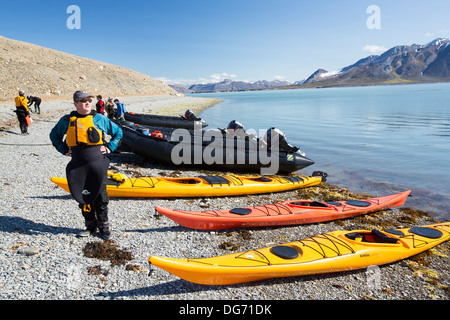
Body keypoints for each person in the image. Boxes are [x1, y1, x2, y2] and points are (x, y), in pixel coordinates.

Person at [49, 90, 123, 240]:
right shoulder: (66, 120)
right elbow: (54, 135)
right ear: (75, 104)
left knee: (101, 196)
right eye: (83, 100)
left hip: (97, 164)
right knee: (82, 196)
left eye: (89, 100)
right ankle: (90, 226)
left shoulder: (99, 119)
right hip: (78, 164)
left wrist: (110, 147)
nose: (87, 102)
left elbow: (118, 132)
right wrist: (63, 149)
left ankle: (104, 227)